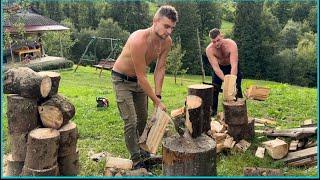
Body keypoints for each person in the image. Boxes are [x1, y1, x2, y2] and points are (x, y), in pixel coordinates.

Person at [111, 5, 178, 169]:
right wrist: (155, 101)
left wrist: (158, 96)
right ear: (155, 21)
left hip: (139, 82)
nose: (169, 31)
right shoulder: (138, 40)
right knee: (131, 121)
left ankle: (144, 151)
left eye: (172, 28)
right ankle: (135, 158)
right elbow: (142, 76)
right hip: (122, 80)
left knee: (142, 119)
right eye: (166, 26)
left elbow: (160, 68)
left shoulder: (166, 42)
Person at [205, 28, 243, 117]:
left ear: (222, 36)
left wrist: (232, 81)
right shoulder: (209, 50)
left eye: (218, 40)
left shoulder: (231, 44)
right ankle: (213, 110)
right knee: (215, 88)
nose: (216, 43)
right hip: (220, 68)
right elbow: (216, 68)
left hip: (231, 66)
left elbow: (234, 64)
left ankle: (239, 108)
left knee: (237, 87)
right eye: (214, 42)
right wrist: (226, 81)